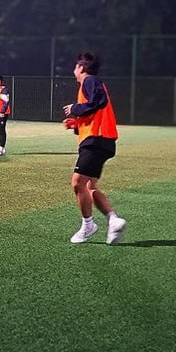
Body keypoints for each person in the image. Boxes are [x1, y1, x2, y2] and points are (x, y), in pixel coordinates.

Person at [62, 52, 126, 245]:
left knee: (77, 183)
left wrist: (75, 108)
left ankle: (88, 225)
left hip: (96, 140)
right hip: (102, 140)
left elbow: (98, 101)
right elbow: (95, 110)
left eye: (76, 66)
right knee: (89, 186)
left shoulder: (90, 80)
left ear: (81, 68)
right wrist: (75, 123)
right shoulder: (90, 84)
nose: (74, 70)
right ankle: (113, 220)